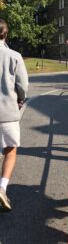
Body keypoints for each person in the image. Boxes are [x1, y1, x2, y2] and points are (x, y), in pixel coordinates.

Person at [0, 18, 28, 210]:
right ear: (5, 34)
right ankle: (2, 188)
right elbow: (23, 85)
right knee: (10, 150)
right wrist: (20, 99)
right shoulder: (14, 56)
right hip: (8, 112)